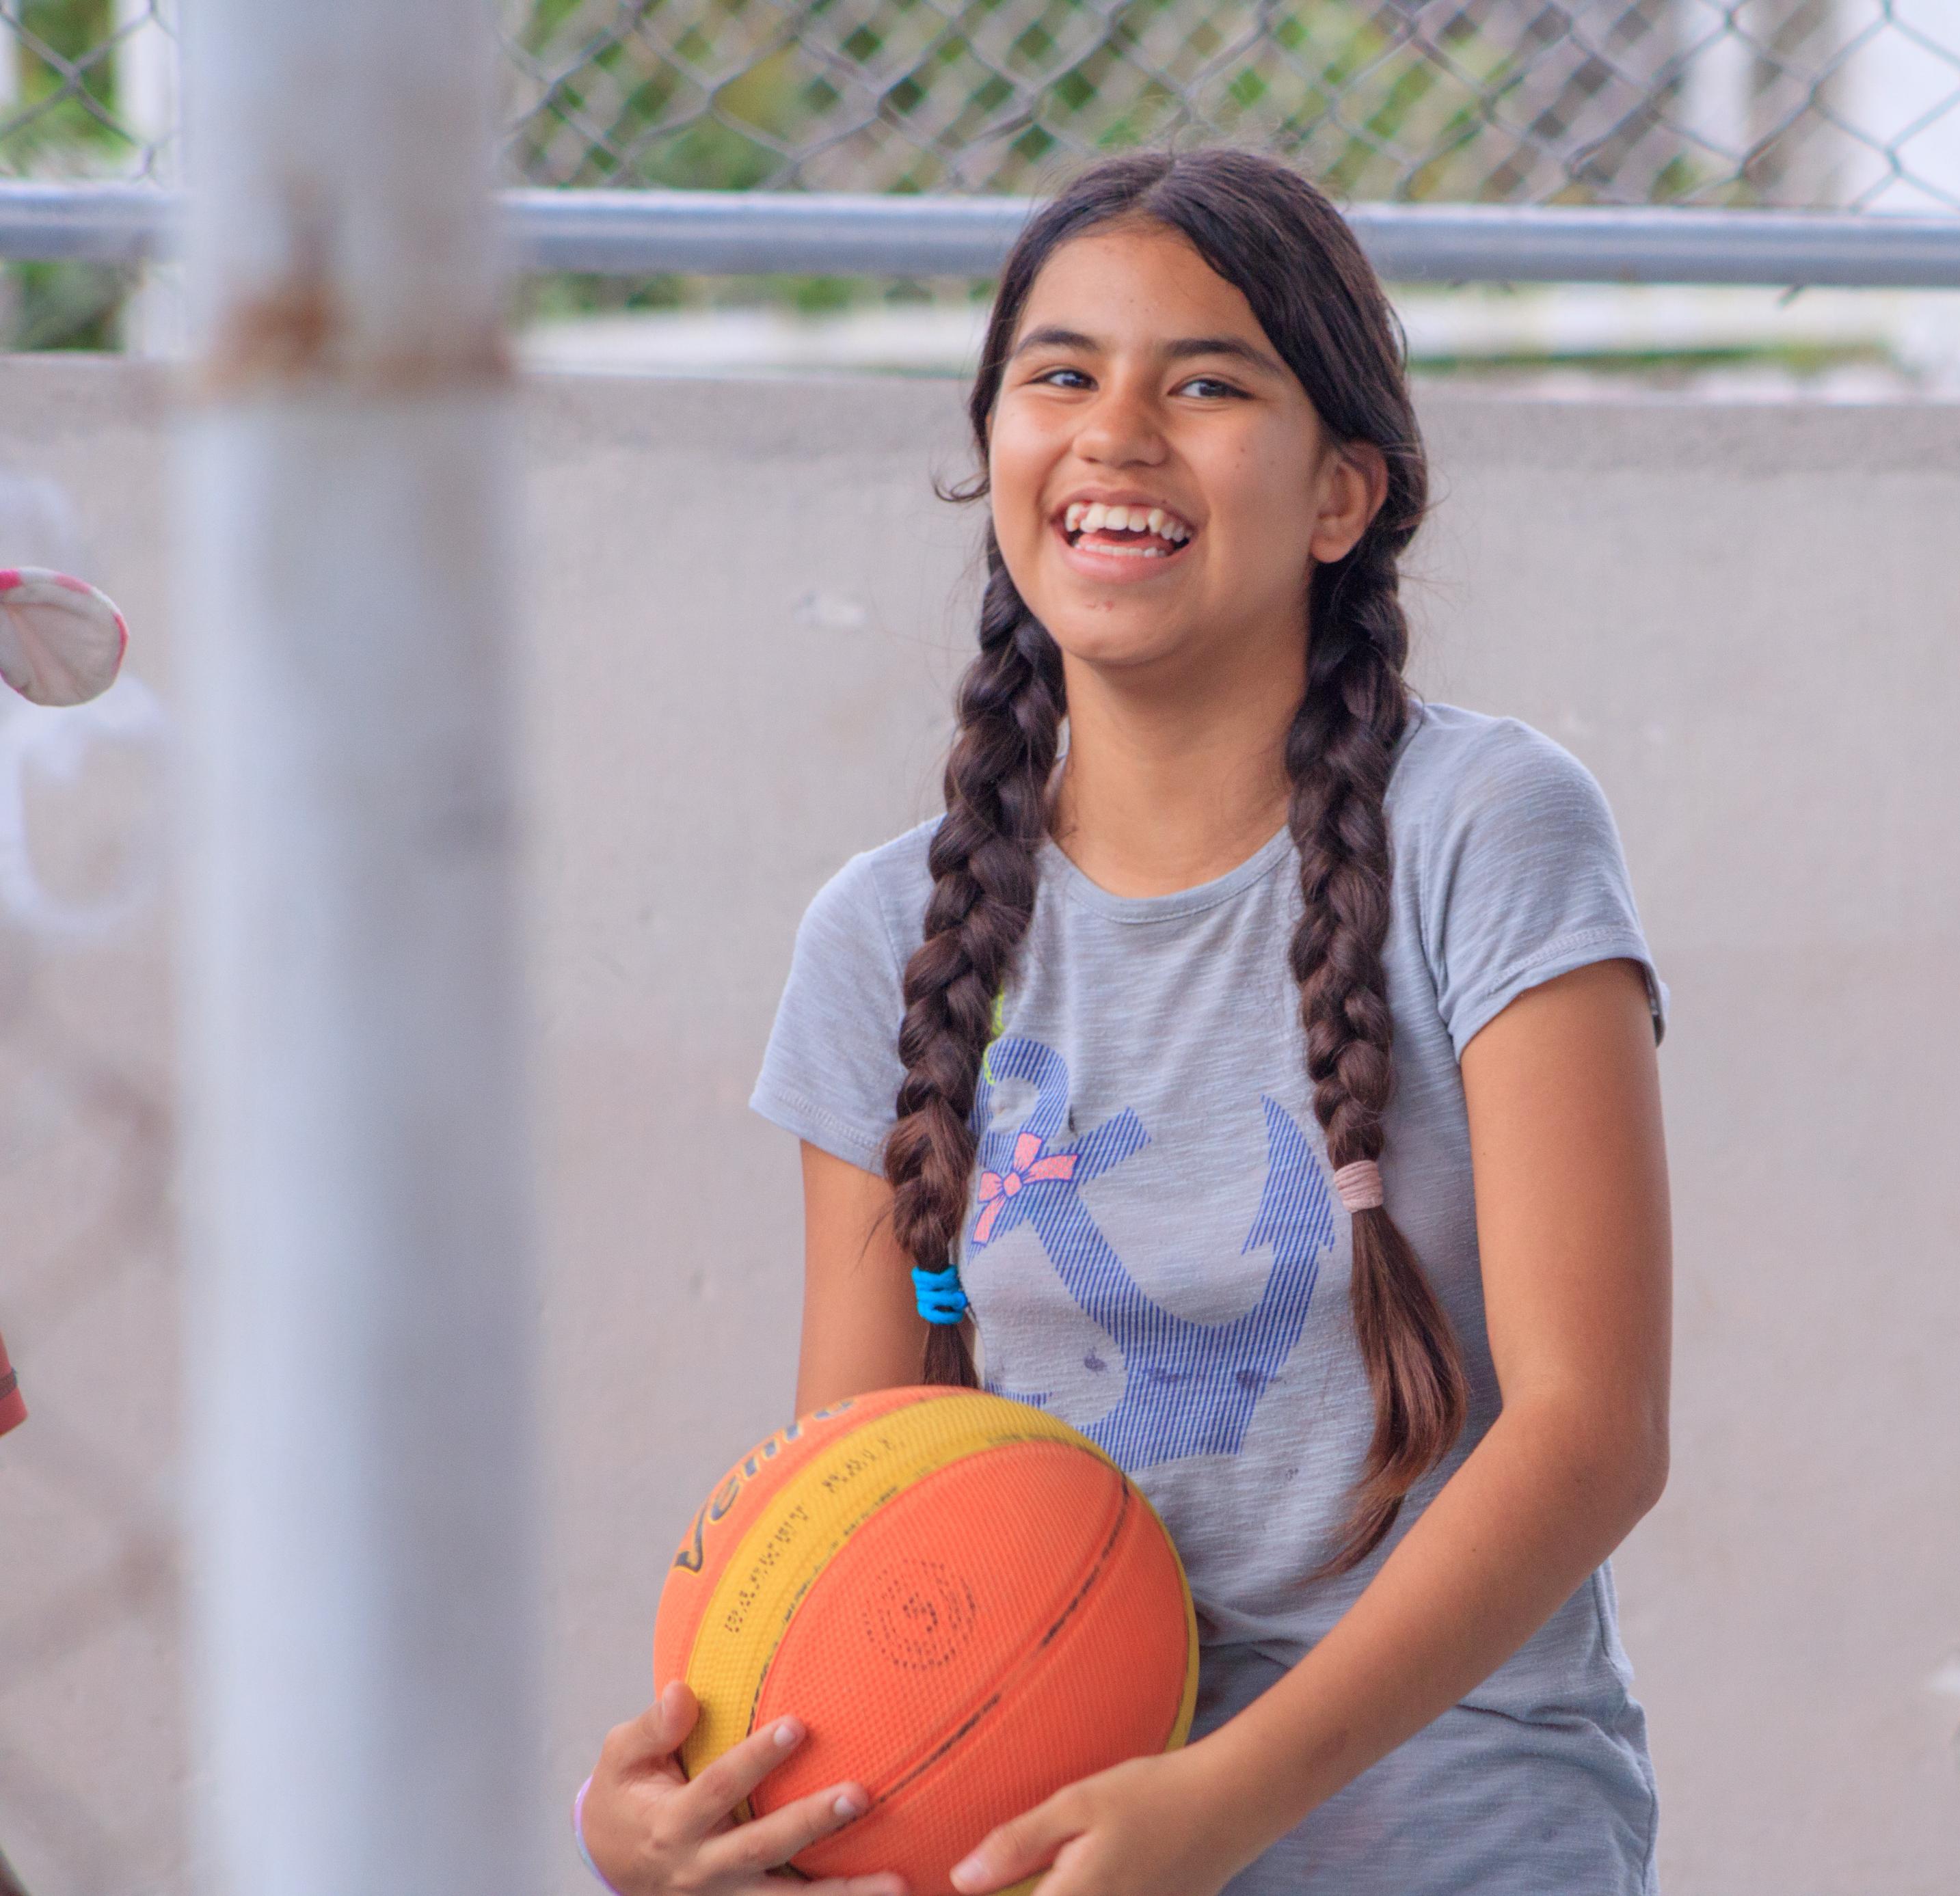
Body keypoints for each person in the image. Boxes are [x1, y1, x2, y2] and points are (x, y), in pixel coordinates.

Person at [576, 147, 1674, 1896]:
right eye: (1061, 375)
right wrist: (681, 1814)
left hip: (1454, 1841)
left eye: (1207, 385)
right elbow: (851, 1512)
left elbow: (1591, 1433)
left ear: (1341, 494)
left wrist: (1221, 1800)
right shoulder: (884, 936)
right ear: (995, 450)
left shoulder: (1486, 829)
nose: (1117, 434)